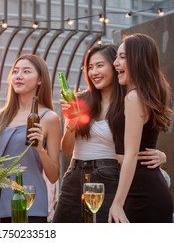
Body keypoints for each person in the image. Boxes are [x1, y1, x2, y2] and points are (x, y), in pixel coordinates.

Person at [53, 44, 167, 223]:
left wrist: (161, 155)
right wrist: (71, 125)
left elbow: (135, 145)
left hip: (108, 176)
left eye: (100, 65)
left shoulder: (128, 102)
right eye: (90, 67)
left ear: (114, 66)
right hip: (74, 175)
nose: (94, 72)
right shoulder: (80, 100)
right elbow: (66, 150)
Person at [0, 54, 61, 223]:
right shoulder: (1, 116)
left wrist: (40, 149)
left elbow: (53, 176)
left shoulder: (49, 117)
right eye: (15, 71)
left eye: (26, 71)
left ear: (40, 80)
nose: (18, 76)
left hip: (32, 205)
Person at [109, 33, 173, 223]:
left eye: (122, 57)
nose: (115, 63)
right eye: (116, 57)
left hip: (141, 192)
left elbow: (131, 154)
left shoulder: (134, 98)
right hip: (144, 187)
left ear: (137, 60)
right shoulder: (142, 95)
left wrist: (117, 203)